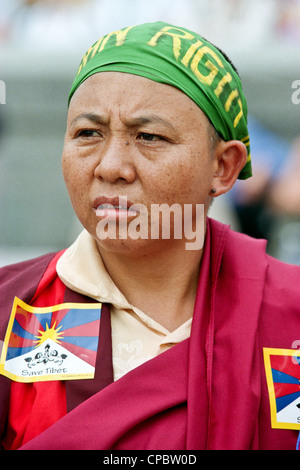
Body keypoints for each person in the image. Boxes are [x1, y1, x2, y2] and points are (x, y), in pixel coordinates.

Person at [0, 21, 299, 451]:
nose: (110, 166)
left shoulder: (289, 314)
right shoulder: (12, 309)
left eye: (149, 137)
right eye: (88, 133)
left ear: (224, 167)